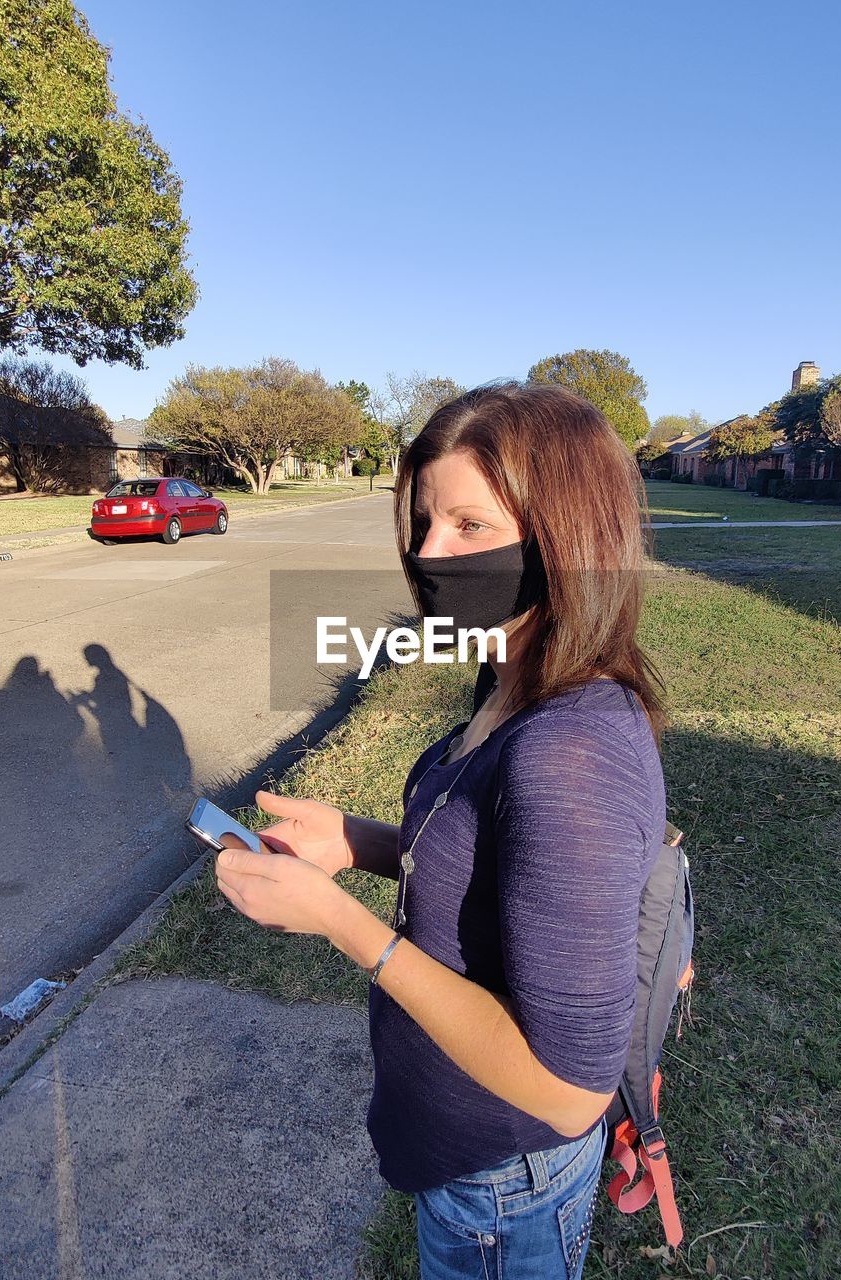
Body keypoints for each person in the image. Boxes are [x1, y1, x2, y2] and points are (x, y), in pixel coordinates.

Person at [214, 381, 668, 1279]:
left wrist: (343, 921)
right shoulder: (507, 670)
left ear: (562, 541)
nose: (427, 555)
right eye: (423, 524)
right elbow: (490, 859)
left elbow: (571, 1091)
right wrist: (357, 842)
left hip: (504, 1184)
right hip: (466, 1159)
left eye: (469, 527)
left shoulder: (572, 751)